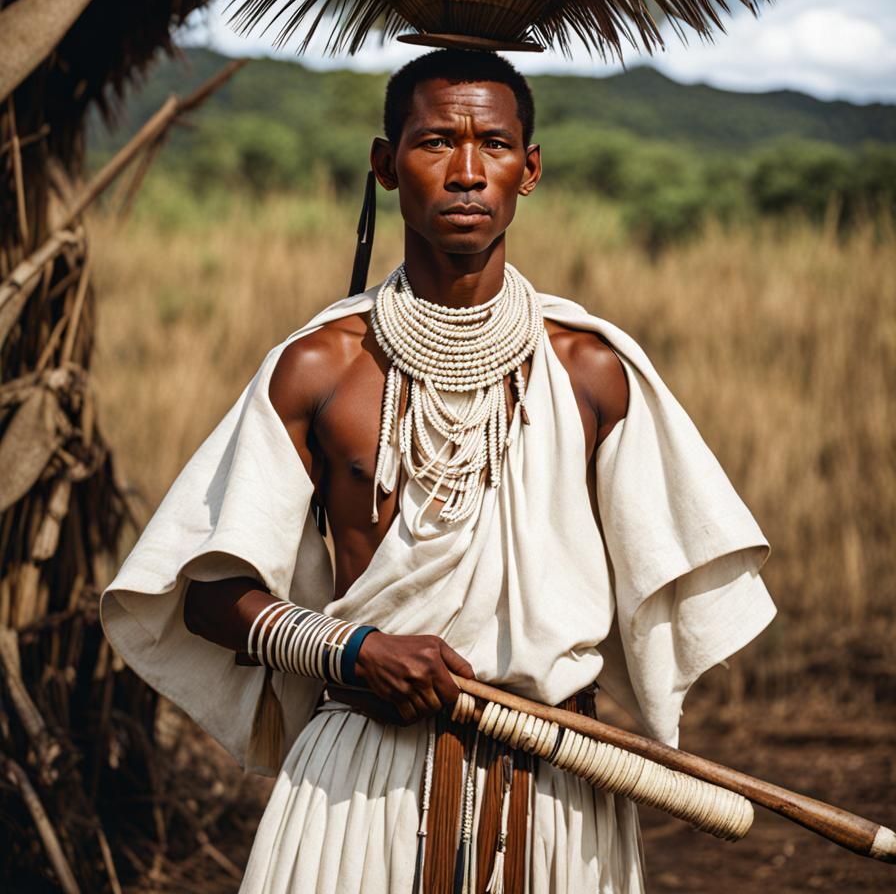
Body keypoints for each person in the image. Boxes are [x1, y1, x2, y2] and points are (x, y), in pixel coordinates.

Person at [100, 49, 776, 893]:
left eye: (492, 145)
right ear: (386, 166)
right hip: (358, 785)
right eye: (432, 145)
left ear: (528, 170)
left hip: (557, 782)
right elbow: (201, 593)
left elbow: (666, 591)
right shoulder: (318, 368)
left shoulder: (594, 373)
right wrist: (350, 651)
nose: (465, 173)